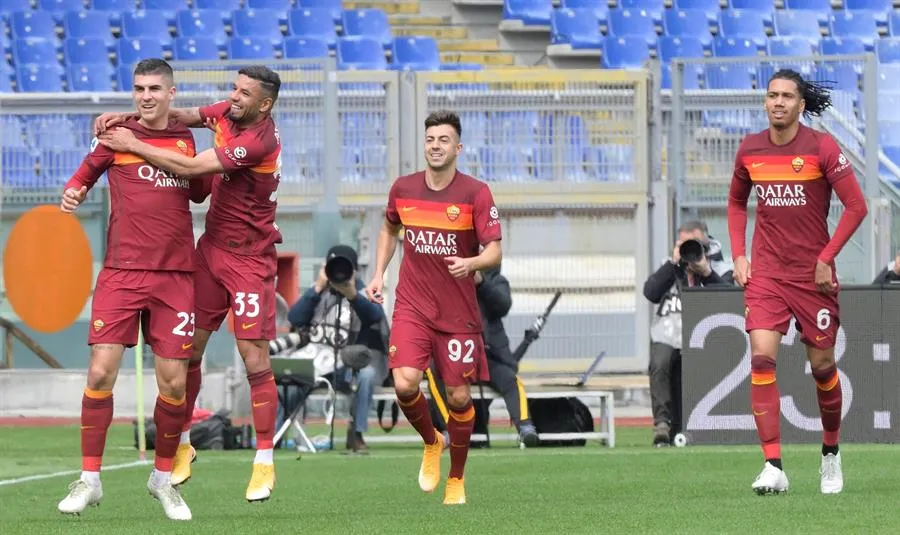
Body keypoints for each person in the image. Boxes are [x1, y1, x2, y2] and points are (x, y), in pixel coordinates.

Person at [96, 65, 284, 502]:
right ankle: (183, 444)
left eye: (244, 93)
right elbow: (179, 115)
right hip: (211, 250)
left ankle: (263, 460)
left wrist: (132, 143)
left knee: (253, 356)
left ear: (264, 104)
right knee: (188, 351)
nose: (234, 97)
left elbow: (191, 165)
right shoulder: (229, 112)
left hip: (251, 259)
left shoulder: (259, 141)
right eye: (234, 88)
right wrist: (125, 118)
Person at [56, 58, 210, 520]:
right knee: (100, 373)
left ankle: (163, 479)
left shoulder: (186, 141)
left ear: (171, 93)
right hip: (121, 274)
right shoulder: (114, 135)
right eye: (139, 88)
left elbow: (200, 190)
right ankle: (89, 480)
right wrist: (73, 192)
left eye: (154, 89)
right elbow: (82, 176)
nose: (145, 96)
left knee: (174, 383)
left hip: (176, 276)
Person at [727, 69, 868, 495]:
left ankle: (830, 452)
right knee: (761, 359)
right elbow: (736, 202)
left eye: (787, 96)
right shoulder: (750, 149)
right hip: (767, 273)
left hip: (812, 278)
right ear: (765, 101)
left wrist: (826, 258)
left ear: (801, 105)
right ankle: (773, 465)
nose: (778, 102)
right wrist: (739, 254)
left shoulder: (822, 147)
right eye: (772, 95)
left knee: (822, 367)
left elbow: (856, 206)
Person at [365, 110, 502, 505]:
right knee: (405, 383)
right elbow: (389, 227)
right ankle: (431, 440)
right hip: (412, 305)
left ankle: (456, 477)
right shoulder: (403, 188)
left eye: (444, 140)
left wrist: (472, 263)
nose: (435, 146)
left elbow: (494, 250)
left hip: (457, 313)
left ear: (458, 147)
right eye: (430, 139)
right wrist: (379, 273)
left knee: (458, 397)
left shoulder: (476, 193)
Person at [284, 244, 386, 452]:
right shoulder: (317, 291)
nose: (339, 273)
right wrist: (317, 288)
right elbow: (294, 318)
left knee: (367, 375)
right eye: (333, 267)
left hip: (348, 364)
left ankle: (356, 433)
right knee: (287, 377)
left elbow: (375, 316)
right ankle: (277, 433)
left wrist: (353, 295)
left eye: (344, 267)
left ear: (354, 270)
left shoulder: (362, 292)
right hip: (315, 360)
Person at [643, 220, 733, 447]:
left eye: (695, 244)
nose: (690, 250)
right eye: (685, 244)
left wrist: (707, 272)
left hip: (707, 339)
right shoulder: (669, 266)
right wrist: (673, 264)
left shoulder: (722, 267)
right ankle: (662, 424)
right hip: (669, 334)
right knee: (659, 363)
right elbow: (651, 292)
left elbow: (730, 300)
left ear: (707, 242)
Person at [430, 265, 539, 448]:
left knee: (510, 381)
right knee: (437, 375)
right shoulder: (447, 281)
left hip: (490, 357)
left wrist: (481, 283)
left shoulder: (497, 281)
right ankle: (448, 430)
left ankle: (525, 427)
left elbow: (502, 305)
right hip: (458, 354)